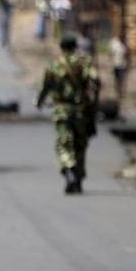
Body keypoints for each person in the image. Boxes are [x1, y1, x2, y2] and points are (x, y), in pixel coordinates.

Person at [36, 34, 101, 194]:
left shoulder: (54, 65)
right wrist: (92, 102)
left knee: (64, 144)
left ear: (61, 47)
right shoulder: (84, 62)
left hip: (61, 111)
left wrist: (39, 102)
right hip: (80, 111)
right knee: (80, 145)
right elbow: (96, 80)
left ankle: (69, 169)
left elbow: (45, 87)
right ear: (75, 46)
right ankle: (78, 179)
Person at [109, 35, 128, 99]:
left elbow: (127, 55)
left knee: (121, 79)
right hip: (116, 65)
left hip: (122, 65)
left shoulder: (125, 46)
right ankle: (118, 91)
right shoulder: (116, 45)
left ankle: (120, 92)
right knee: (117, 79)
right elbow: (111, 54)